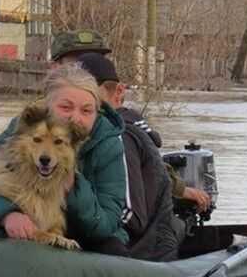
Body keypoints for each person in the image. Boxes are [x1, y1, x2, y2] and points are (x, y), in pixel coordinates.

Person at [0, 64, 130, 256]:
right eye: (65, 107)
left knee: (114, 249)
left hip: (86, 239)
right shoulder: (22, 130)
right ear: (46, 105)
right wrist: (5, 215)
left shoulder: (109, 144)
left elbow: (107, 223)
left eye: (86, 111)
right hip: (28, 234)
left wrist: (73, 188)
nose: (75, 118)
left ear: (97, 112)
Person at [52, 29, 211, 214]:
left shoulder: (120, 130)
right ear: (54, 69)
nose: (82, 75)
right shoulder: (33, 121)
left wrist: (178, 188)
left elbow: (148, 170)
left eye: (91, 60)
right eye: (75, 64)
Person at [76, 53, 177, 261]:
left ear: (119, 91)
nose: (82, 94)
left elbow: (131, 217)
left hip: (141, 257)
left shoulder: (120, 136)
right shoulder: (87, 134)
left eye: (89, 87)